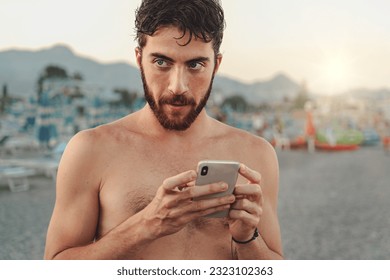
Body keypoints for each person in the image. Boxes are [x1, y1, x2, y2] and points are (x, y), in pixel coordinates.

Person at [44, 0, 283, 260]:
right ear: (139, 59)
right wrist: (147, 224)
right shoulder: (91, 149)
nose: (177, 87)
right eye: (161, 62)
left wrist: (247, 238)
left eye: (195, 65)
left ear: (216, 64)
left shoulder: (257, 154)